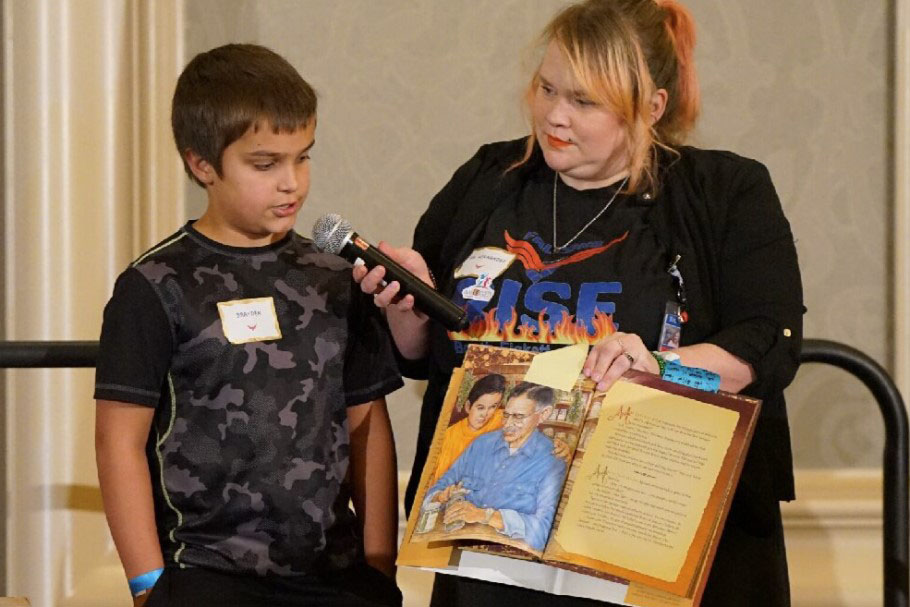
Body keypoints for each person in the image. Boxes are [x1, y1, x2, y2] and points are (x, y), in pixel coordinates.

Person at [354, 1, 803, 606]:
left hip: (649, 533)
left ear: (651, 108)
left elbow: (768, 343)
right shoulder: (489, 179)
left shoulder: (724, 191)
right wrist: (407, 306)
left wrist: (658, 365)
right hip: (495, 547)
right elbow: (420, 356)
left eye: (585, 102)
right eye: (547, 88)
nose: (555, 116)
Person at [94, 44, 403, 607]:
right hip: (206, 576)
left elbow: (369, 428)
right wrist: (146, 587)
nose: (292, 183)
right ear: (202, 165)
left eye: (303, 157)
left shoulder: (336, 279)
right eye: (266, 164)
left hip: (334, 577)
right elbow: (119, 442)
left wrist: (381, 569)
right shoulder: (155, 286)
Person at [423, 382, 565, 552]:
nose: (508, 424)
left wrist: (486, 516)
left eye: (519, 417)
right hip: (453, 548)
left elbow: (541, 531)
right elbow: (438, 487)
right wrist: (440, 496)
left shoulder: (553, 460)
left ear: (543, 415)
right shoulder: (482, 443)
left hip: (507, 559)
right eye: (506, 415)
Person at [431, 373, 506, 482]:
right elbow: (440, 478)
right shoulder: (450, 436)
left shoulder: (501, 419)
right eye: (480, 408)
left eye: (493, 407)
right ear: (468, 406)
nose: (485, 414)